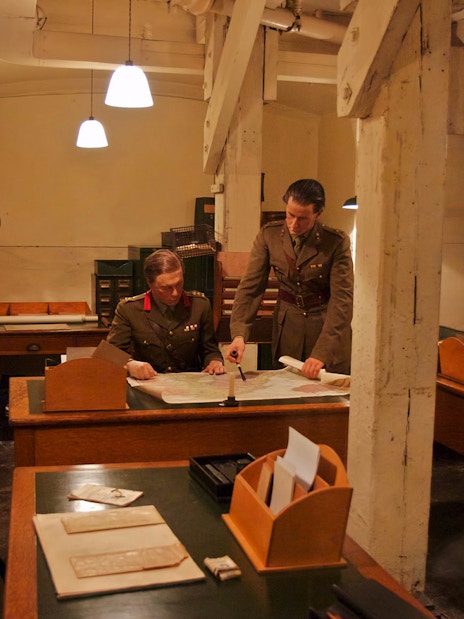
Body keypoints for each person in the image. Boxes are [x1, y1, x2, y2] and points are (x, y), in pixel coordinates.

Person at [225, 178, 353, 379]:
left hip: (324, 329)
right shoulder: (270, 235)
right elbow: (250, 289)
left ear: (317, 213)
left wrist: (321, 353)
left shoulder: (335, 242)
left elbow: (342, 302)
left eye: (302, 219)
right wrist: (239, 336)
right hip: (288, 330)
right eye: (290, 215)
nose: (294, 224)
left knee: (327, 403)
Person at [108, 249, 225, 379]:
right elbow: (109, 355)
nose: (175, 293)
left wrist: (215, 362)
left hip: (189, 386)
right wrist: (130, 365)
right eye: (167, 288)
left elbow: (210, 350)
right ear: (150, 284)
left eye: (179, 284)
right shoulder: (129, 310)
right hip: (148, 385)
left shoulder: (200, 305)